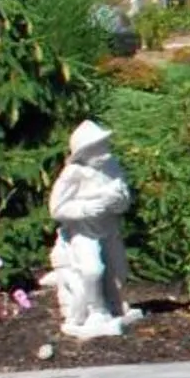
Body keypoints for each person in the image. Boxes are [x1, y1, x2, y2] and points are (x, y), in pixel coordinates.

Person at [47, 120, 138, 338]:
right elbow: (57, 209)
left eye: (105, 146)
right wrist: (86, 208)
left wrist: (117, 201)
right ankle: (96, 311)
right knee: (92, 269)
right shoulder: (73, 174)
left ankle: (116, 305)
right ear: (85, 152)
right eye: (99, 148)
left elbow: (124, 200)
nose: (105, 153)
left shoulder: (112, 166)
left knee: (118, 271)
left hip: (109, 228)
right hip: (83, 231)